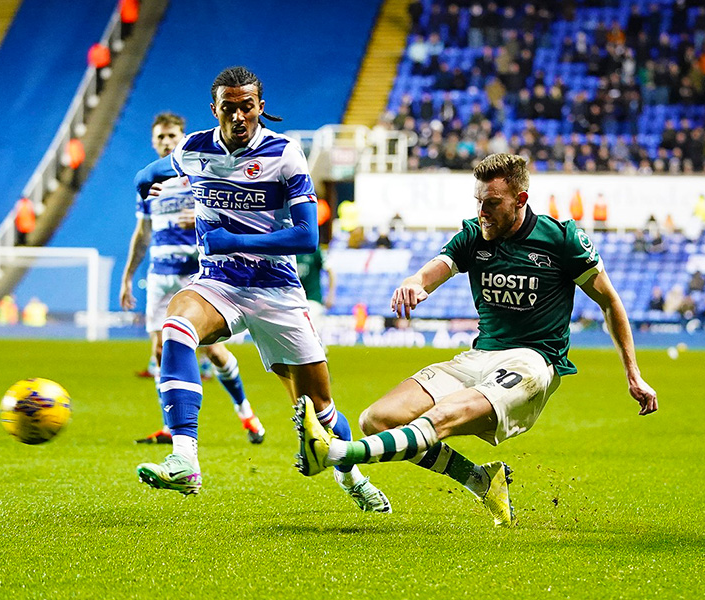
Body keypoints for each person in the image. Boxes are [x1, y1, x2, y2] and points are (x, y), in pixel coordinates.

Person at [295, 153, 658, 527]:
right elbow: (436, 268)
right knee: (377, 419)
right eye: (479, 202)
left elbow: (610, 302)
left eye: (492, 203)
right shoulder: (474, 235)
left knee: (441, 418)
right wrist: (414, 283)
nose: (483, 211)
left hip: (532, 363)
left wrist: (634, 374)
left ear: (520, 200)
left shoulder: (562, 239)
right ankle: (481, 481)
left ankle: (337, 451)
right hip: (480, 356)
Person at [132, 67, 390, 512]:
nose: (238, 116)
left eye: (246, 106)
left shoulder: (284, 152)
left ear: (260, 108)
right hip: (219, 283)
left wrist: (237, 241)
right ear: (215, 110)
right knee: (176, 328)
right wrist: (144, 177)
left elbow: (307, 236)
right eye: (228, 108)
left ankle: (353, 477)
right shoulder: (194, 148)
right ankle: (184, 459)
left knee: (321, 410)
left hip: (276, 290)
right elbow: (159, 168)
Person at [120, 112, 266, 446]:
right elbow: (142, 233)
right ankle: (171, 427)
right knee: (160, 351)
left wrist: (201, 223)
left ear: (181, 138)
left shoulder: (198, 173)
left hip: (195, 274)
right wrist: (128, 277)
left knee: (212, 353)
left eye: (172, 137)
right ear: (153, 141)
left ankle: (246, 413)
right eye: (160, 138)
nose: (166, 142)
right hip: (160, 275)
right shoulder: (150, 185)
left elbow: (233, 216)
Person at [296, 245, 336, 351]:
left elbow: (330, 271)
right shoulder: (290, 250)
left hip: (313, 298)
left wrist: (331, 295)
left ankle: (319, 353)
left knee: (308, 329)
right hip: (295, 299)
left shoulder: (315, 251)